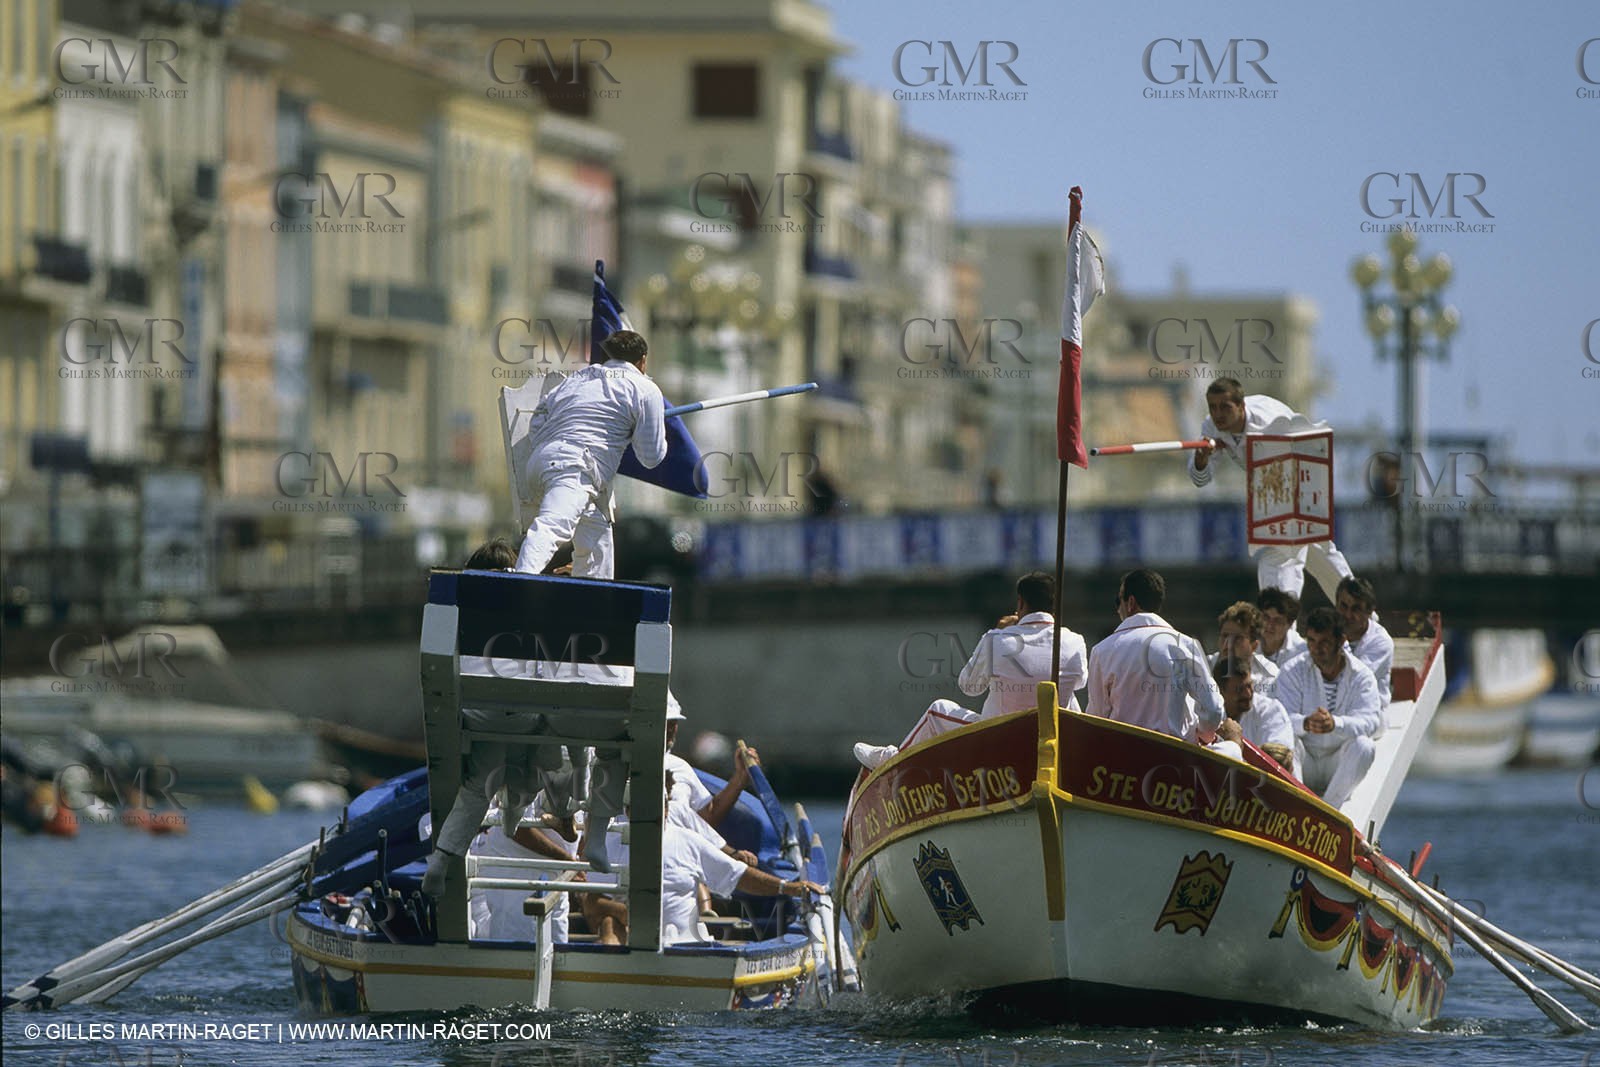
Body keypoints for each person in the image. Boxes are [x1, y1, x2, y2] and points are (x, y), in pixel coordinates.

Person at [852, 571, 1088, 769]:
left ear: (1020, 604)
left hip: (999, 739)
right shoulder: (1074, 640)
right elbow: (1080, 682)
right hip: (1052, 740)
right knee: (1068, 694)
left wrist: (996, 633)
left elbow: (970, 687)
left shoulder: (997, 639)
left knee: (938, 710)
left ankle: (893, 761)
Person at [579, 772, 824, 946]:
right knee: (610, 924)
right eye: (641, 808)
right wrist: (631, 915)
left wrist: (787, 888)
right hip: (631, 942)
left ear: (667, 808)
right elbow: (592, 904)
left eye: (657, 806)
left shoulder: (687, 840)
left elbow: (738, 875)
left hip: (687, 946)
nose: (651, 815)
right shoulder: (609, 844)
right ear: (628, 810)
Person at [514, 329, 666, 578]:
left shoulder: (579, 377)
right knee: (554, 525)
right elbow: (651, 457)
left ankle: (594, 589)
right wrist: (638, 429)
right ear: (643, 360)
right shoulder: (645, 389)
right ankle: (519, 579)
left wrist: (552, 445)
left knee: (597, 534)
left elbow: (540, 414)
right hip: (574, 468)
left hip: (542, 461)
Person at [1187, 378, 1353, 599]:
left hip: (1298, 480)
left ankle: (1282, 625)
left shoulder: (1269, 421)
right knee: (1319, 553)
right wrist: (1202, 459)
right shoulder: (1211, 426)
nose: (1218, 415)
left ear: (1241, 406)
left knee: (1281, 557)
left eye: (1225, 407)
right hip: (1272, 489)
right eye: (1213, 408)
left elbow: (1301, 457)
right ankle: (1366, 618)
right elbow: (1200, 479)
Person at [1085, 567, 1225, 742]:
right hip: (1175, 759)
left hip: (1122, 760)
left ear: (1130, 603)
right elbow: (1213, 710)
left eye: (1117, 601)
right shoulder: (1185, 645)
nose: (1117, 609)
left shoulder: (1102, 651)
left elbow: (1097, 720)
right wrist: (1202, 735)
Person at [1275, 607, 1383, 812]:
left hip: (1338, 761)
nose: (1317, 649)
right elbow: (1279, 719)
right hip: (1304, 758)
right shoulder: (1292, 670)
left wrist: (1336, 723)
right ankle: (1298, 807)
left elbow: (1371, 721)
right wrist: (1306, 723)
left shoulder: (1361, 675)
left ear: (1341, 641)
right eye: (1312, 642)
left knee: (1365, 746)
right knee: (1285, 743)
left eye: (1324, 642)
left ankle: (1328, 813)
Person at [1213, 657, 1296, 774]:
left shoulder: (1271, 710)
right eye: (1239, 689)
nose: (1247, 694)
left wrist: (1234, 745)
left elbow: (1280, 761)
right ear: (1220, 691)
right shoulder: (1206, 714)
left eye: (1249, 685)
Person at [1336, 576, 1394, 707]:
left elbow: (1354, 680)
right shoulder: (1329, 630)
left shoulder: (1381, 642)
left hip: (1368, 713)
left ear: (1369, 612)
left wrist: (1341, 642)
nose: (1348, 615)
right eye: (1343, 606)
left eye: (1355, 609)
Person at [1208, 600, 1280, 699]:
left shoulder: (1269, 675)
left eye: (1237, 638)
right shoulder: (1204, 667)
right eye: (1225, 636)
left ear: (1254, 646)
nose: (1228, 644)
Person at [1257, 587, 1307, 669]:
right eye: (1266, 617)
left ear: (1289, 624)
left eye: (1277, 621)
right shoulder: (1246, 640)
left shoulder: (1301, 653)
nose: (1270, 625)